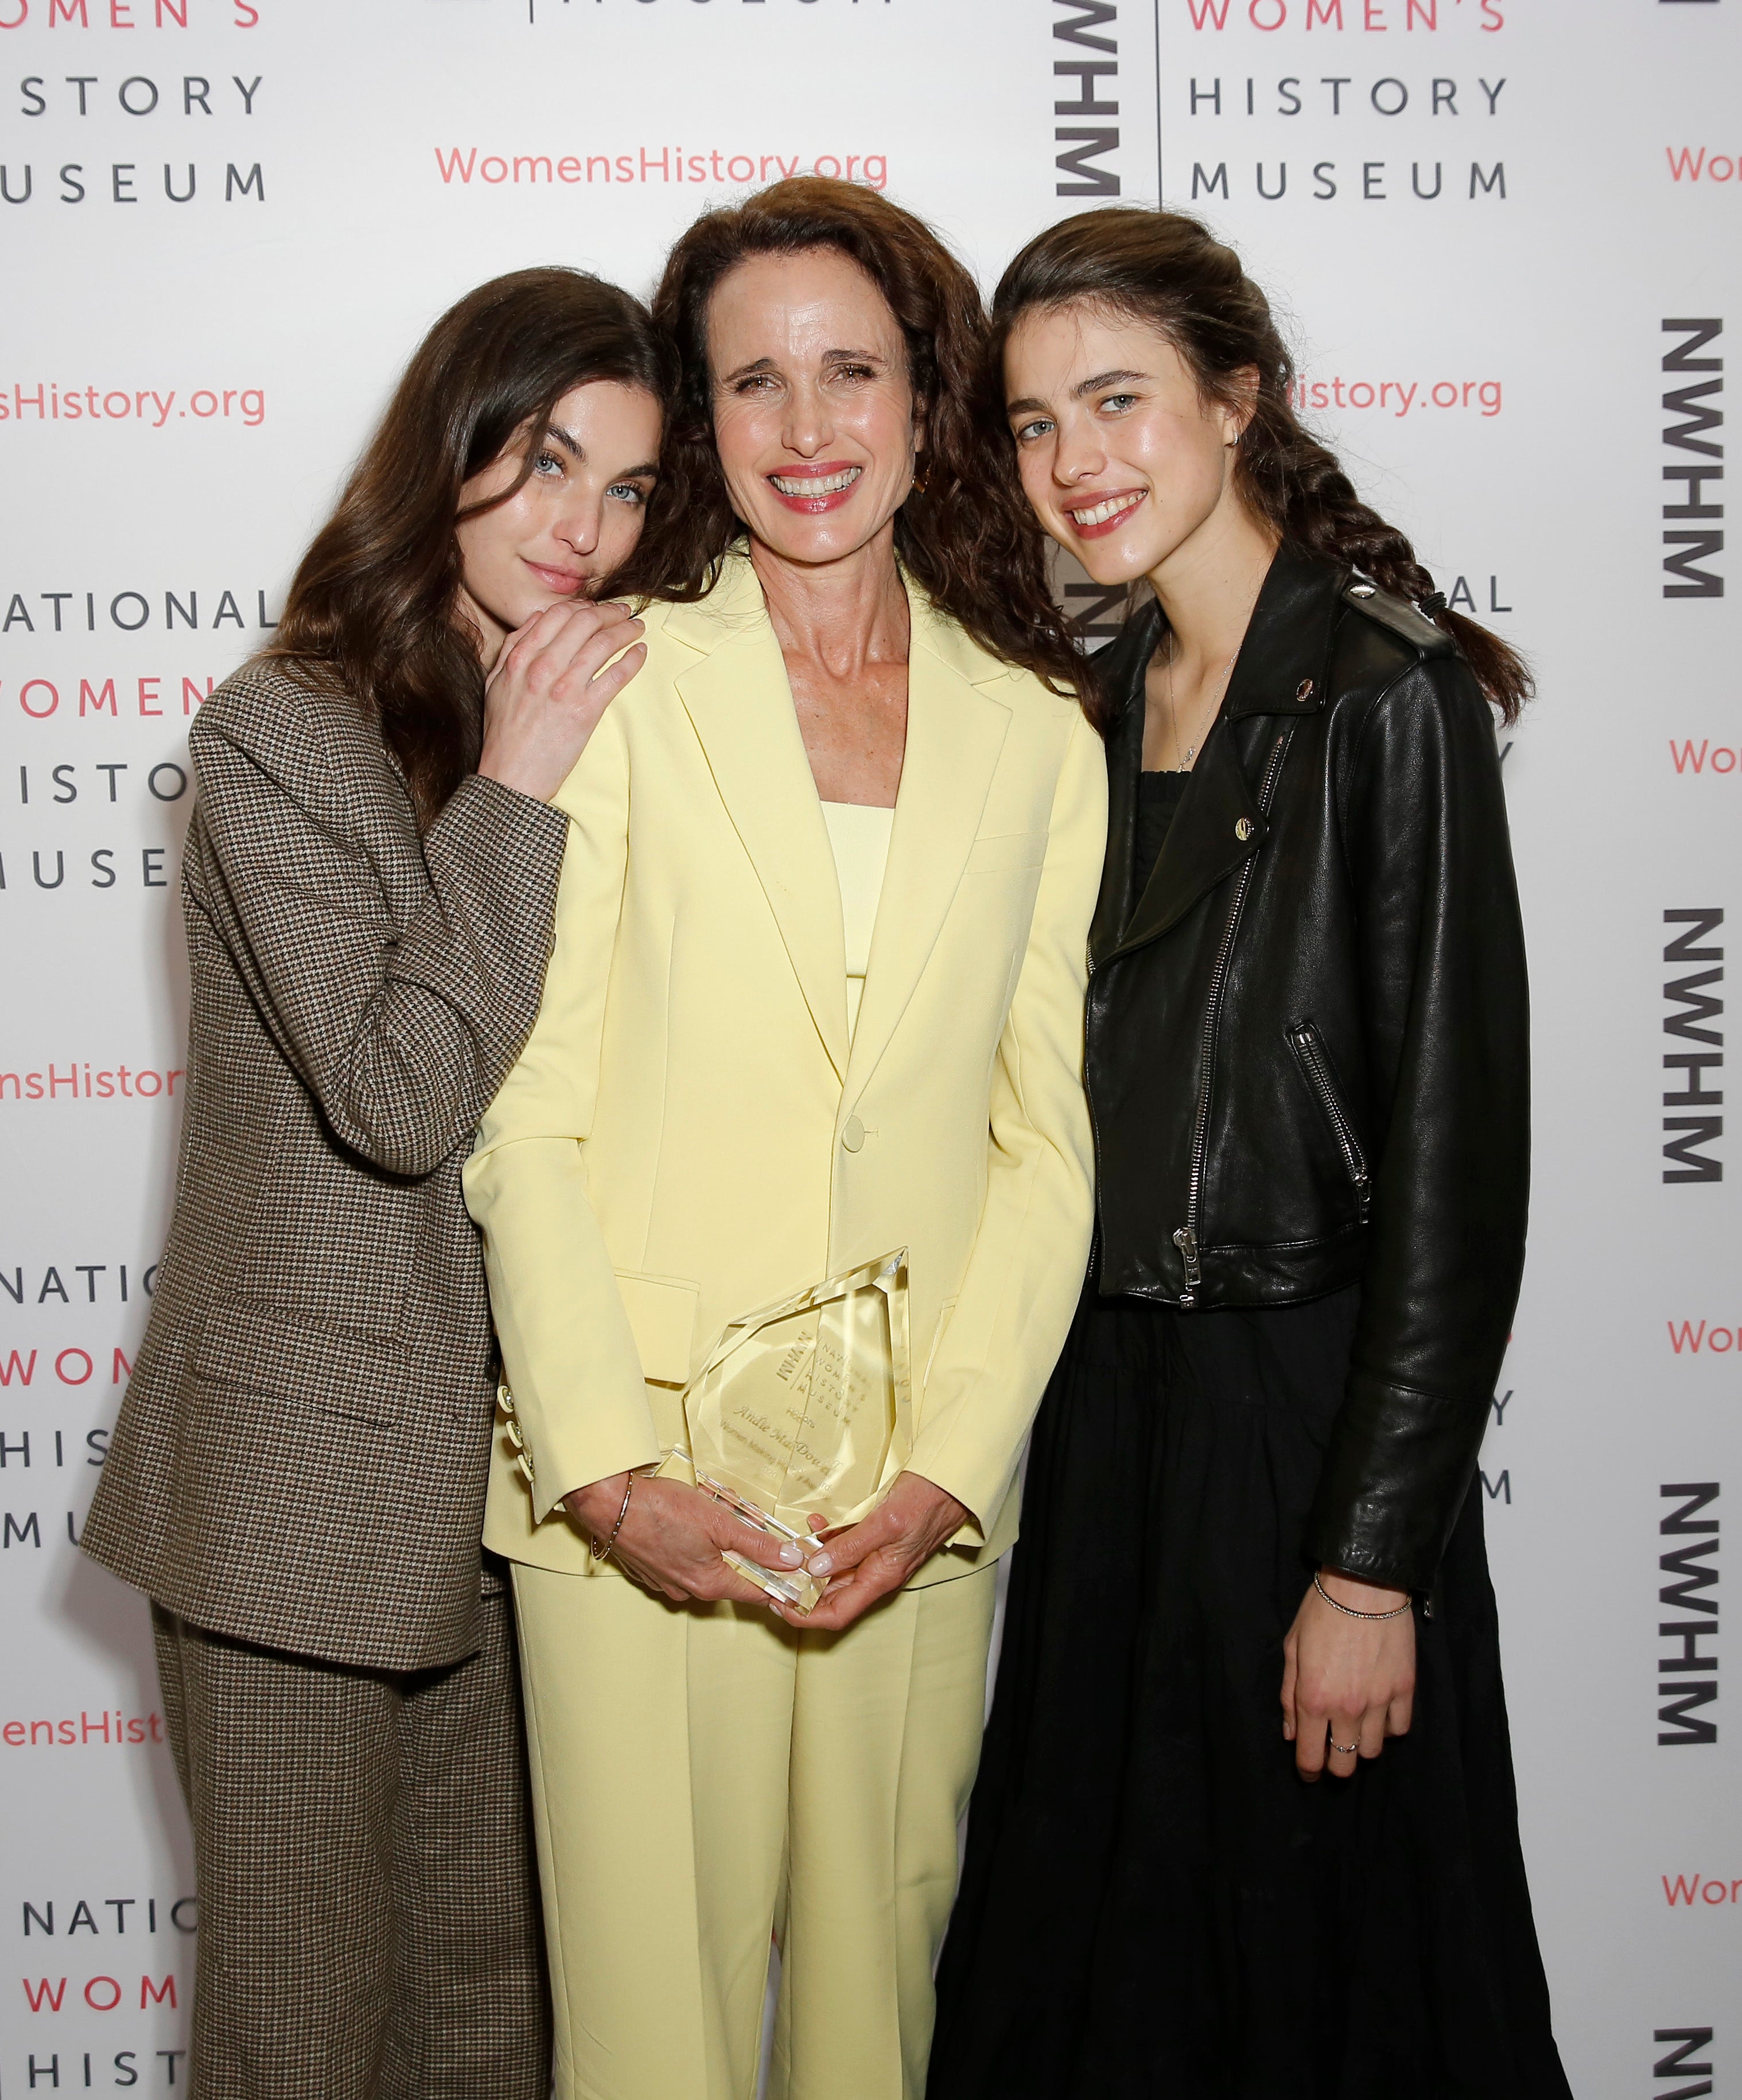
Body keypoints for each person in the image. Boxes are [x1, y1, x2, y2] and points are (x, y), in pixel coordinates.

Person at [463, 178, 1105, 2100]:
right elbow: (525, 1111)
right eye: (753, 381)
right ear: (703, 413)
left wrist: (952, 1466)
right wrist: (601, 1468)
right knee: (650, 2050)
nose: (807, 430)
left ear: (931, 401)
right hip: (644, 1486)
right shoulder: (616, 688)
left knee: (872, 2041)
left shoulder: (1037, 734)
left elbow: (1043, 1148)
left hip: (900, 1507)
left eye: (852, 373)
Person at [928, 208, 1573, 2099]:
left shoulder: (1388, 698)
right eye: (1034, 426)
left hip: (1298, 1425)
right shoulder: (1093, 703)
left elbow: (1458, 1178)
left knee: (1334, 1981)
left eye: (1116, 400)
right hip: (1107, 1415)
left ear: (1237, 399)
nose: (1073, 465)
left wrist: (1369, 1565)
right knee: (1099, 1974)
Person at [80, 266, 671, 2100]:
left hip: (522, 1499)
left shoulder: (605, 725)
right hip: (294, 1498)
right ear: (454, 446)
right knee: (304, 2031)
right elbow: (401, 1095)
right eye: (549, 459)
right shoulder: (281, 731)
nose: (585, 525)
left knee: (495, 2018)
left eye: (633, 488)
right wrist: (523, 779)